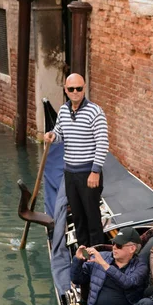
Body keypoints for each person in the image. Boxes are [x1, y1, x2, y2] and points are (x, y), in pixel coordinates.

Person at [44, 73, 109, 247]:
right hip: (70, 174)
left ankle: (97, 255)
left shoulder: (95, 112)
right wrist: (52, 136)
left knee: (92, 217)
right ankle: (83, 254)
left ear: (84, 88)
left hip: (88, 173)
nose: (75, 92)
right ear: (66, 90)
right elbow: (60, 134)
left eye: (78, 88)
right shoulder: (64, 110)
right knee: (78, 217)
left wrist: (95, 171)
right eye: (71, 89)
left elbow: (102, 144)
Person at [70, 227, 153, 305]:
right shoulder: (101, 257)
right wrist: (77, 260)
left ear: (132, 249)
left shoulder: (140, 266)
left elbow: (128, 283)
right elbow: (77, 279)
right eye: (114, 244)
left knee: (147, 303)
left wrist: (104, 265)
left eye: (119, 246)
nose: (114, 248)